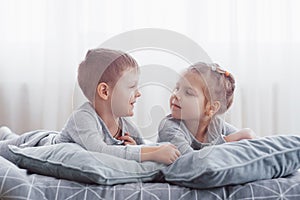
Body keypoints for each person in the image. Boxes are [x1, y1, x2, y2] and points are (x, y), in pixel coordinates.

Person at [0, 48, 180, 165]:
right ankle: (6, 136)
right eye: (132, 87)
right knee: (6, 148)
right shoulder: (83, 118)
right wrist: (149, 153)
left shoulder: (125, 124)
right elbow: (98, 151)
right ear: (104, 91)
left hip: (47, 136)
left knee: (8, 136)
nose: (138, 93)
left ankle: (5, 133)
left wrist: (138, 147)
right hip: (38, 142)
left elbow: (144, 145)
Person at [157, 62, 256, 155]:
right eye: (177, 88)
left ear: (211, 108)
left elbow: (249, 142)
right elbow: (189, 162)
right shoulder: (169, 127)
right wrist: (227, 141)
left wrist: (248, 136)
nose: (176, 95)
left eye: (188, 92)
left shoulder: (217, 126)